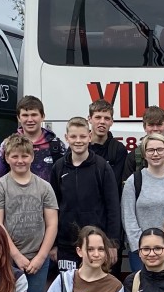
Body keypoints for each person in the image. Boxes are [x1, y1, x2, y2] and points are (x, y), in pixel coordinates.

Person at [0, 133, 60, 292]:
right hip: (7, 258)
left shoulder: (44, 187)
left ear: (32, 157)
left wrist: (41, 257)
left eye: (25, 156)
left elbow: (52, 223)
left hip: (38, 258)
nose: (20, 160)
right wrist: (16, 256)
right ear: (7, 158)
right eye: (15, 156)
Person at [50, 117, 122, 275]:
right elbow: (52, 209)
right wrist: (53, 244)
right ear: (66, 137)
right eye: (73, 136)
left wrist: (112, 243)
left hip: (97, 244)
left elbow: (113, 208)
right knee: (69, 287)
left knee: (96, 285)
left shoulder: (102, 167)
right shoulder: (58, 167)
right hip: (66, 244)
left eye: (82, 136)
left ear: (89, 136)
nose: (78, 141)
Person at [122, 133, 164, 268]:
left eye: (160, 149)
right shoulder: (134, 181)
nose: (155, 154)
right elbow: (128, 217)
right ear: (144, 154)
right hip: (141, 251)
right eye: (150, 150)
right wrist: (142, 246)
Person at [0, 96, 66, 181]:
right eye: (25, 115)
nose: (30, 120)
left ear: (42, 116)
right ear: (18, 118)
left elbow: (66, 179)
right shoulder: (7, 145)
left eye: (34, 115)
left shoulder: (57, 146)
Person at [86, 99, 130, 179]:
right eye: (98, 117)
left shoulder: (118, 150)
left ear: (111, 121)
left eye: (106, 118)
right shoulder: (79, 146)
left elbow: (116, 183)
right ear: (89, 119)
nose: (102, 122)